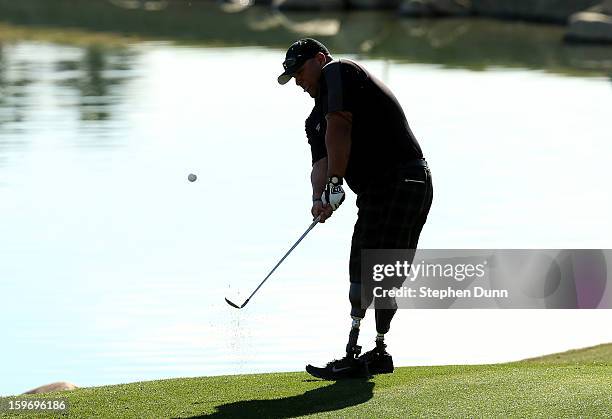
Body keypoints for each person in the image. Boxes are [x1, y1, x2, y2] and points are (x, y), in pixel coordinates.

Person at [277, 38, 433, 380]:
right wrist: (320, 196)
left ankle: (363, 352)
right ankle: (374, 351)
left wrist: (336, 182)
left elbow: (341, 125)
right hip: (380, 189)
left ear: (319, 59)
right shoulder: (313, 120)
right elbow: (320, 161)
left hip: (404, 178)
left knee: (378, 263)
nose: (299, 81)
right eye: (293, 77)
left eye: (300, 71)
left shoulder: (339, 72)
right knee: (366, 261)